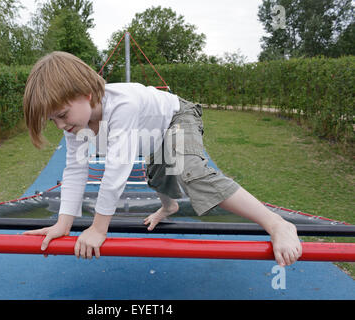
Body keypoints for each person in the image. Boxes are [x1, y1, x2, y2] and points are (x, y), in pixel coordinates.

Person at [22, 51, 302, 267]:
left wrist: (98, 228)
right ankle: (169, 207)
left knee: (190, 170)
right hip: (153, 134)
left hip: (177, 117)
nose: (59, 125)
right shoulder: (77, 125)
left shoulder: (122, 105)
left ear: (87, 95)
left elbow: (117, 170)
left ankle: (277, 223)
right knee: (157, 174)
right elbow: (74, 170)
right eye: (52, 120)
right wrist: (63, 224)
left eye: (61, 115)